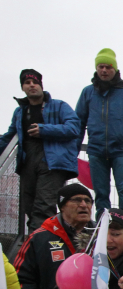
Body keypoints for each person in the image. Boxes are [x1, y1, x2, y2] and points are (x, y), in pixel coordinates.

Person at [0, 70, 81, 233]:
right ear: (22, 87)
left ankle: (37, 242)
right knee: (28, 204)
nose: (31, 85)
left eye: (35, 82)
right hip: (27, 160)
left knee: (44, 204)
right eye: (27, 82)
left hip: (52, 161)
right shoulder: (19, 112)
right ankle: (41, 238)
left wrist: (44, 130)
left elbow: (74, 127)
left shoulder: (59, 106)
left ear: (41, 85)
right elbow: (9, 136)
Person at [75, 48, 123, 220]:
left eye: (108, 67)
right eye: (101, 67)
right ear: (96, 69)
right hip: (96, 150)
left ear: (114, 69)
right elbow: (78, 122)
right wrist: (74, 150)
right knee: (101, 194)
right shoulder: (88, 92)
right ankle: (102, 231)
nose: (104, 70)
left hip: (121, 150)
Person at [12, 183, 93, 289]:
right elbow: (21, 279)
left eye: (88, 201)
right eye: (77, 200)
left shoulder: (102, 238)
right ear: (62, 206)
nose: (84, 205)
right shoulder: (39, 238)